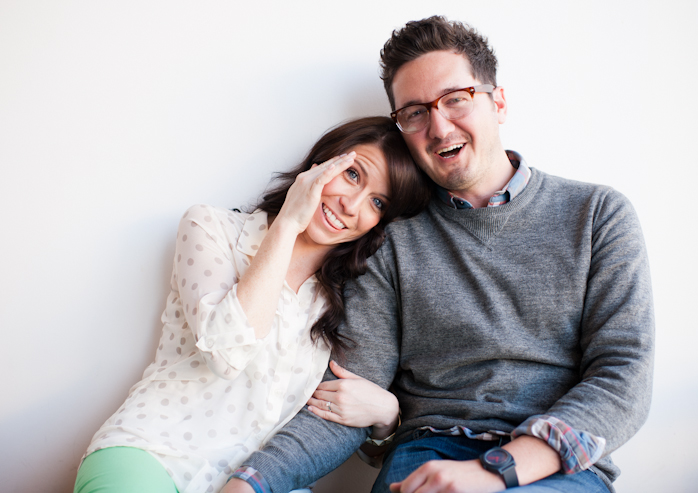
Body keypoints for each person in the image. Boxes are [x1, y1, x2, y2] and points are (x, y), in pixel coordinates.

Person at [224, 16, 655, 493]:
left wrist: (496, 469)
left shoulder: (597, 215)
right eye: (415, 112)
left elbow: (623, 380)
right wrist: (250, 483)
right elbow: (345, 399)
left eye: (456, 99)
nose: (439, 126)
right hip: (425, 456)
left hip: (553, 469)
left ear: (498, 102)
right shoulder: (391, 236)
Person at [73, 116, 431, 493]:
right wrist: (287, 224)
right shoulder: (211, 228)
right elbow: (226, 355)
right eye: (352, 175)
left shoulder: (353, 296)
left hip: (262, 482)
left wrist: (387, 417)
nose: (351, 205)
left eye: (377, 202)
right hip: (154, 452)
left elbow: (348, 438)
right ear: (322, 162)